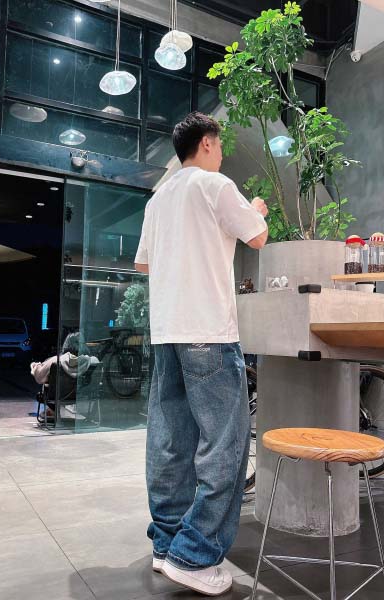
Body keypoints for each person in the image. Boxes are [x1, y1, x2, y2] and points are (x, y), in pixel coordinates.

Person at [135, 112, 268, 596]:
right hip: (208, 330)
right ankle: (194, 555)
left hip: (167, 332)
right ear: (207, 143)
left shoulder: (158, 199)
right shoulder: (216, 185)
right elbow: (258, 236)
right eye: (221, 145)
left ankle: (167, 544)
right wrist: (256, 208)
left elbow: (145, 264)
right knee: (225, 445)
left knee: (170, 442)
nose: (222, 153)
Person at [31, 332, 99, 419]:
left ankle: (52, 411)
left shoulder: (55, 361)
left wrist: (35, 366)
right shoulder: (92, 361)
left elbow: (39, 378)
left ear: (66, 345)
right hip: (81, 395)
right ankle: (53, 411)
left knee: (46, 386)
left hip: (56, 395)